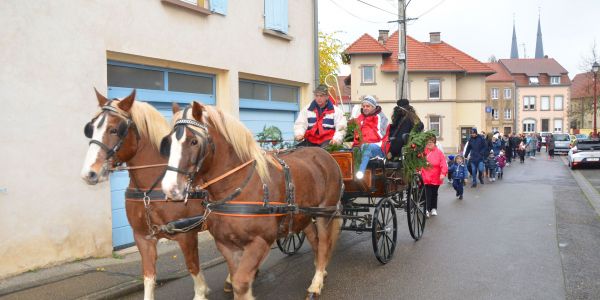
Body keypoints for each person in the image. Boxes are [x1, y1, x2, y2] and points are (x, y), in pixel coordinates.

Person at [352, 95, 389, 179]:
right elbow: (356, 135)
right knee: (349, 151)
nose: (365, 108)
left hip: (378, 146)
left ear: (373, 107)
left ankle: (360, 174)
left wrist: (368, 122)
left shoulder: (379, 117)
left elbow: (381, 135)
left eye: (368, 106)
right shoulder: (359, 118)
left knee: (366, 146)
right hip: (361, 146)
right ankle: (348, 177)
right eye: (364, 106)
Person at [420, 136, 448, 217]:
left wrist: (443, 173)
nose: (429, 144)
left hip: (436, 176)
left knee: (434, 193)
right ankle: (427, 209)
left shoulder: (439, 153)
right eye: (428, 142)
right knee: (428, 193)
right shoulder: (423, 152)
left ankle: (433, 208)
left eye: (431, 142)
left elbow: (443, 163)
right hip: (426, 176)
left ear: (434, 143)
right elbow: (419, 162)